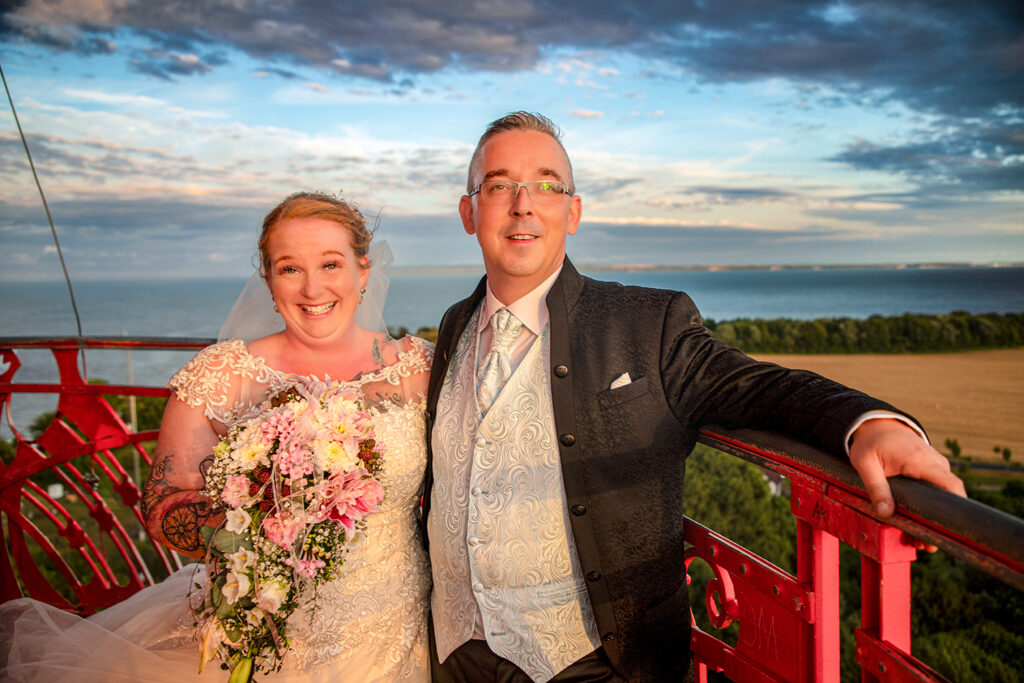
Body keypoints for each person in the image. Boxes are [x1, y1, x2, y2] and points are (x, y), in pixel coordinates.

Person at [423, 112, 966, 683]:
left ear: (573, 212)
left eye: (547, 184)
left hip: (593, 665)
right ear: (469, 212)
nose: (523, 203)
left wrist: (867, 423)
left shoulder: (647, 321)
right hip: (456, 655)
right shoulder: (455, 326)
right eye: (499, 184)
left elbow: (757, 387)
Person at [0, 192, 433, 682]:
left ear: (363, 271)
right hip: (259, 629)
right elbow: (164, 503)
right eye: (290, 269)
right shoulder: (220, 373)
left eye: (331, 264)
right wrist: (256, 527)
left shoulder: (416, 368)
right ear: (269, 282)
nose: (313, 289)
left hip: (400, 627)